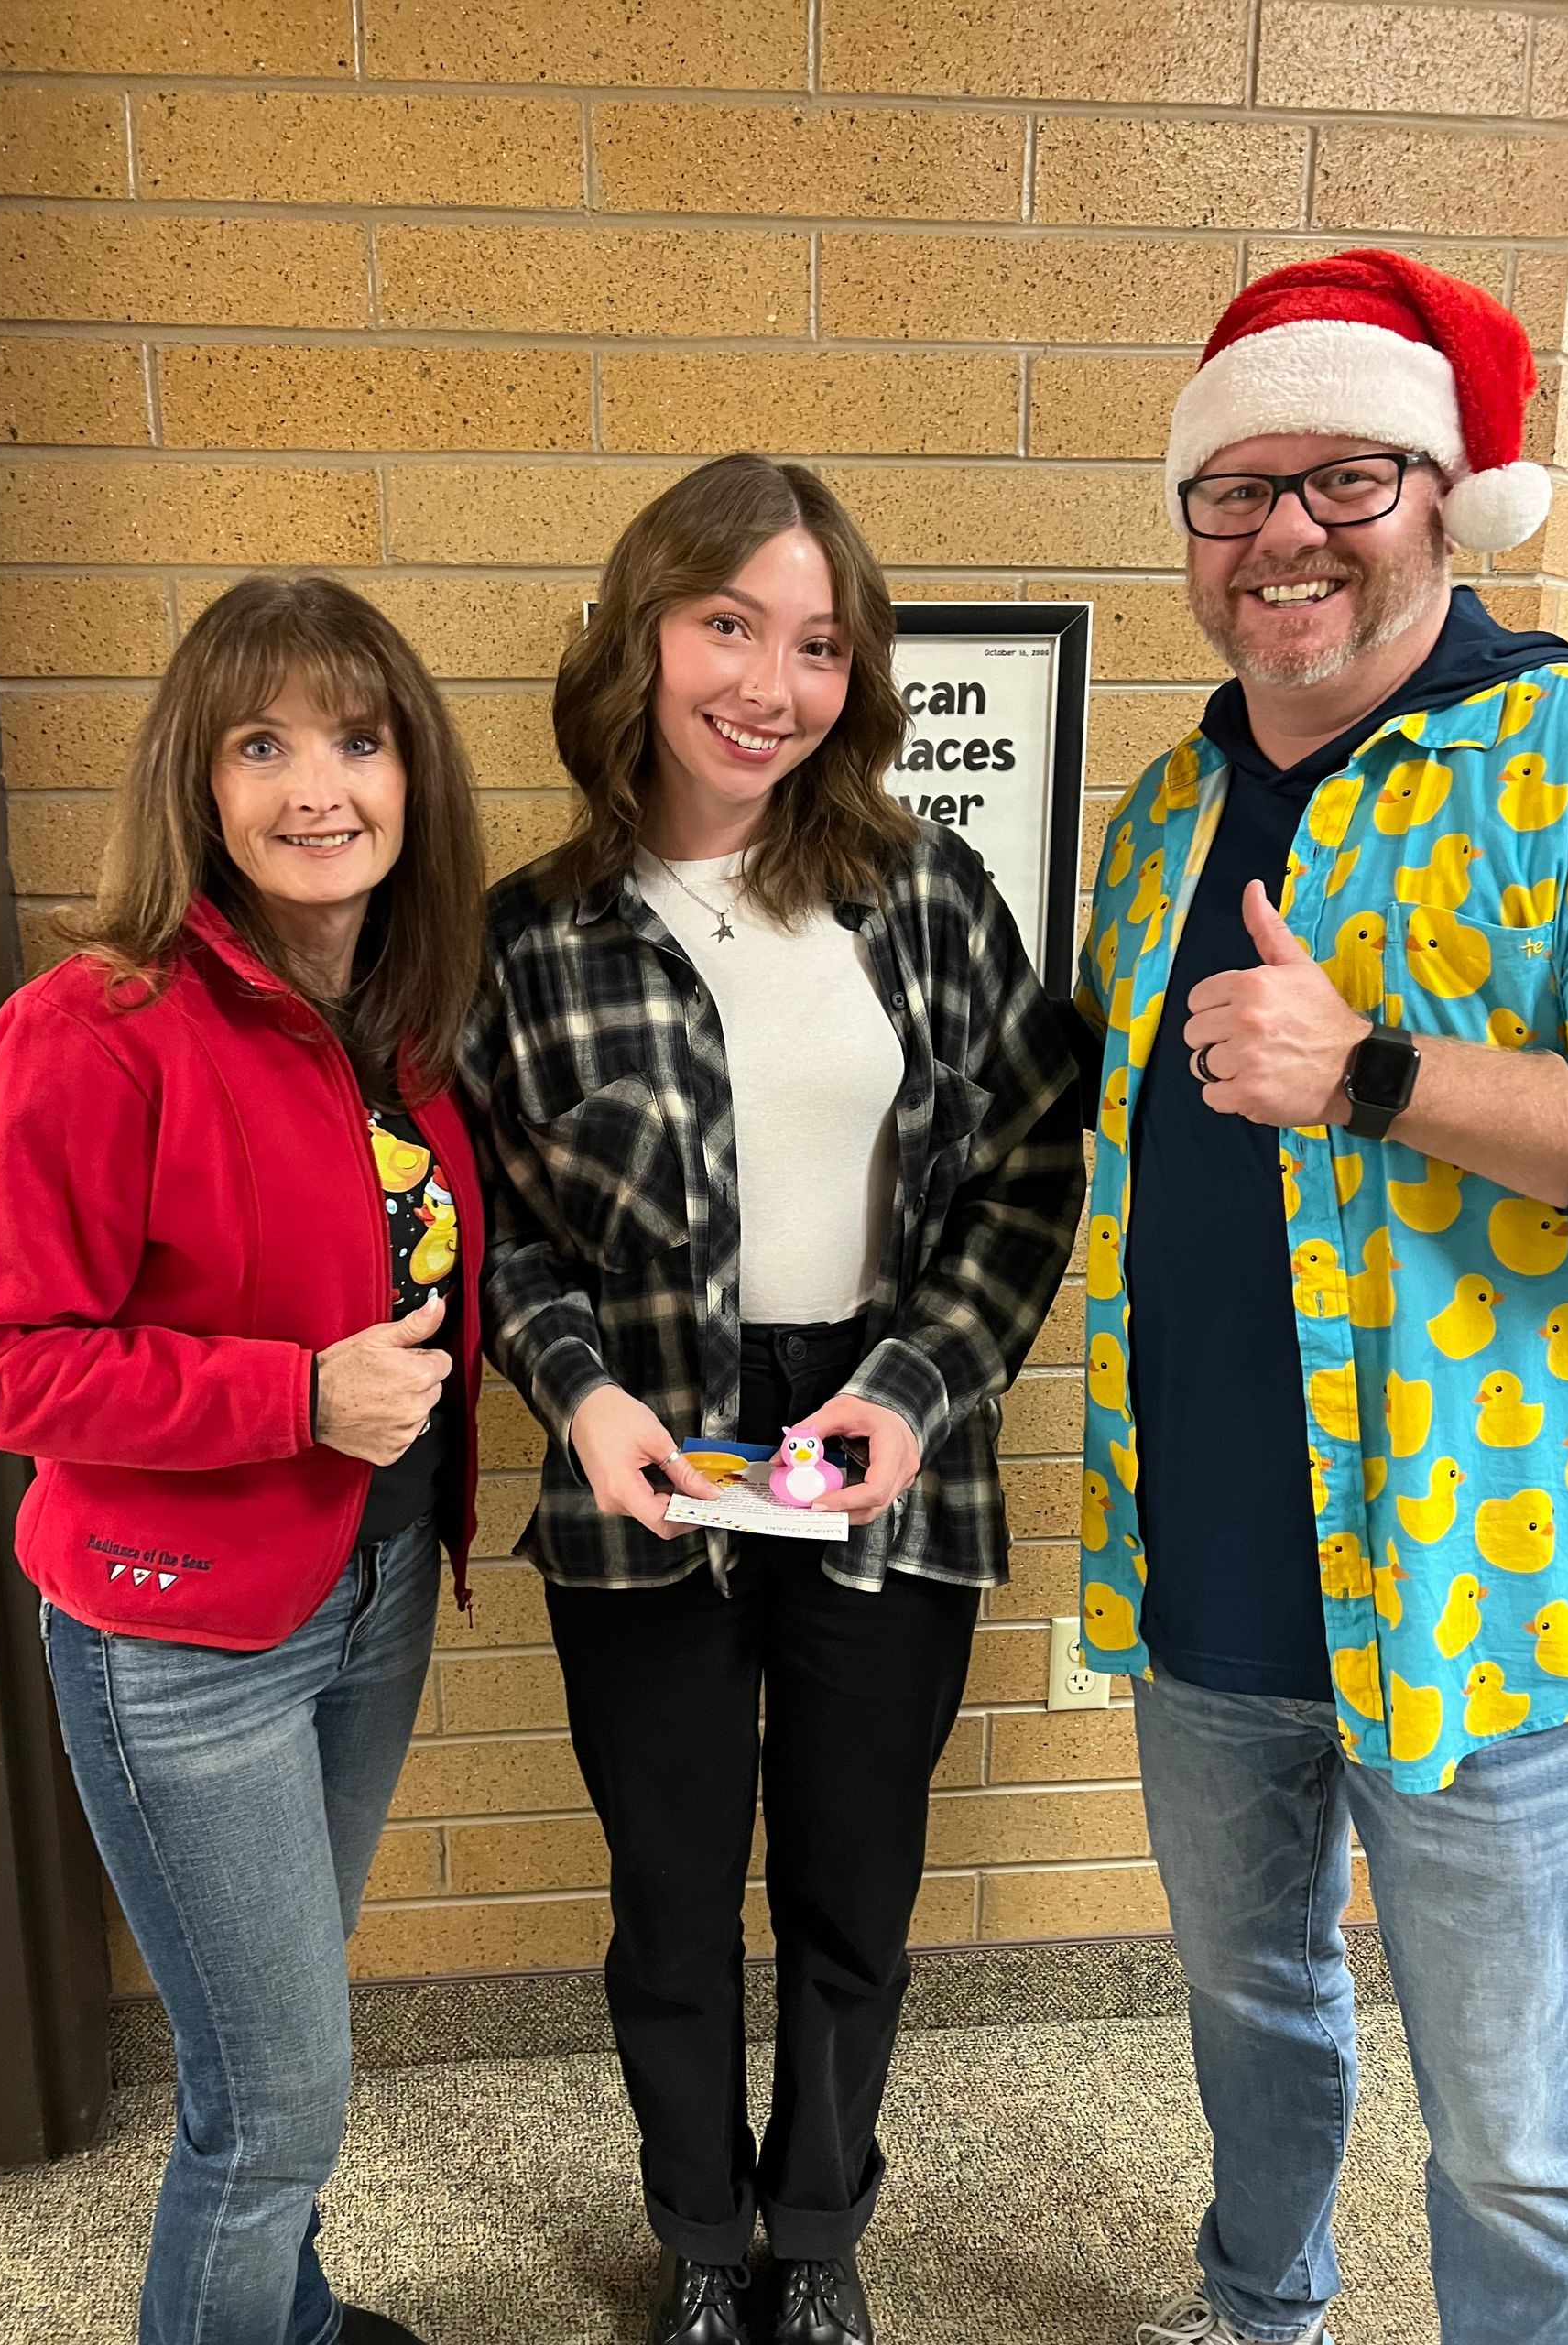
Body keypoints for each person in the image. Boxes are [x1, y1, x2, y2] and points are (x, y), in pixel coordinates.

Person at [459, 453, 1083, 2345]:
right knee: (668, 1894)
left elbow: (1030, 1162)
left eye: (819, 642)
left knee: (848, 1882)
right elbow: (493, 1226)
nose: (771, 680)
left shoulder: (925, 893)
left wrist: (912, 1385)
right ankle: (702, 2248)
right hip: (647, 1449)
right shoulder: (531, 934)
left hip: (879, 1447)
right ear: (643, 632)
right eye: (729, 622)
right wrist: (575, 1397)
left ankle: (816, 2237)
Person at [1072, 248, 1568, 2345]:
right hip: (1209, 1581)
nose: (1285, 530)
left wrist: (1378, 1074)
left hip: (1488, 1600)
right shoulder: (1162, 809)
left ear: (1442, 497)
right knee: (1252, 2001)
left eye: (1347, 478)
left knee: (1525, 2136)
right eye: (1237, 488)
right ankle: (1259, 2302)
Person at [0, 574, 487, 2345]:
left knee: (275, 2044)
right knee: (274, 2110)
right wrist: (289, 1401)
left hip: (371, 1593)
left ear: (413, 775)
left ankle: (292, 2326)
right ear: (201, 781)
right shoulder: (96, 1027)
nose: (319, 786)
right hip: (183, 1644)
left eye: (358, 738)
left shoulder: (399, 1023)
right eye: (265, 744)